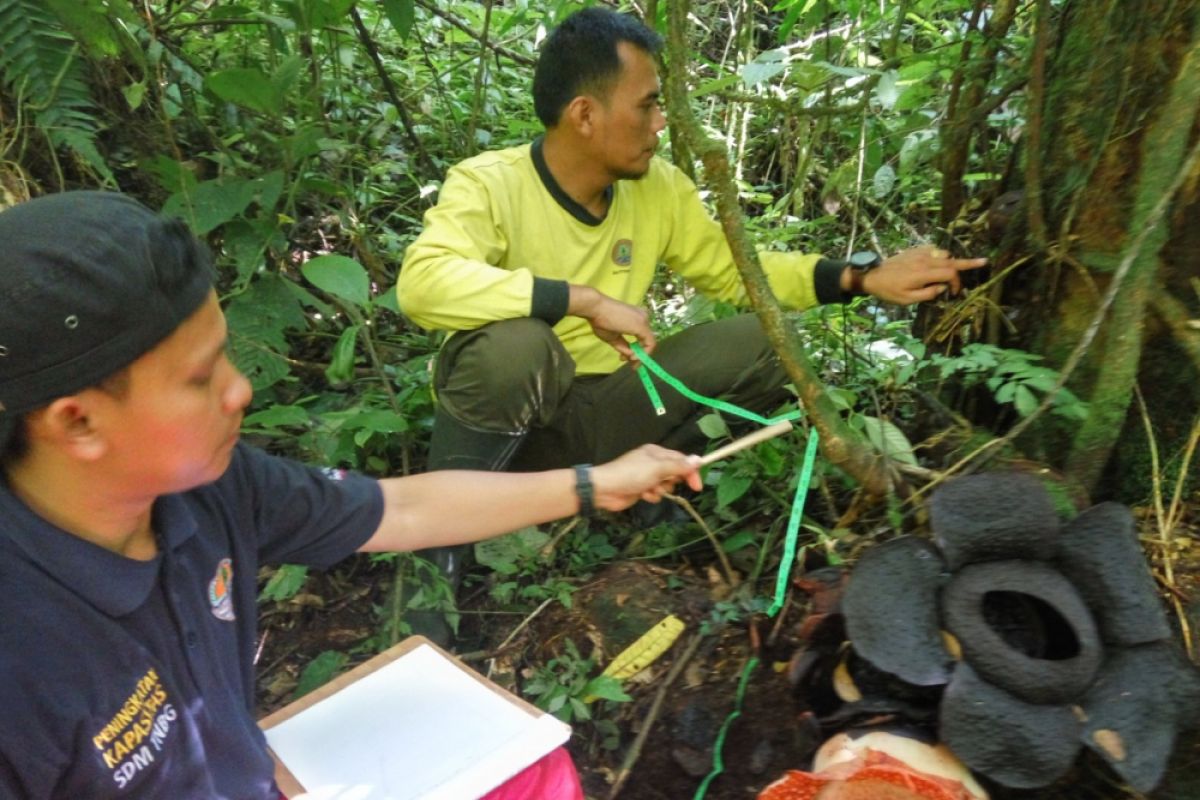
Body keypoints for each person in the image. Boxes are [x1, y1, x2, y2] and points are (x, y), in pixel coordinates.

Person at [0, 191, 702, 798]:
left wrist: (595, 483)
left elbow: (402, 508)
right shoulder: (21, 654)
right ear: (78, 421)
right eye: (200, 377)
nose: (239, 390)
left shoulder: (208, 490)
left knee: (534, 776)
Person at [396, 7, 986, 583]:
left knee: (763, 343)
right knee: (515, 347)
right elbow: (423, 284)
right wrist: (582, 299)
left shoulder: (659, 190)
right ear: (584, 114)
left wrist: (860, 276)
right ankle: (441, 548)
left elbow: (736, 272)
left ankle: (639, 492)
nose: (660, 123)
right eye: (647, 104)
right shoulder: (490, 183)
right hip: (517, 421)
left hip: (612, 407)